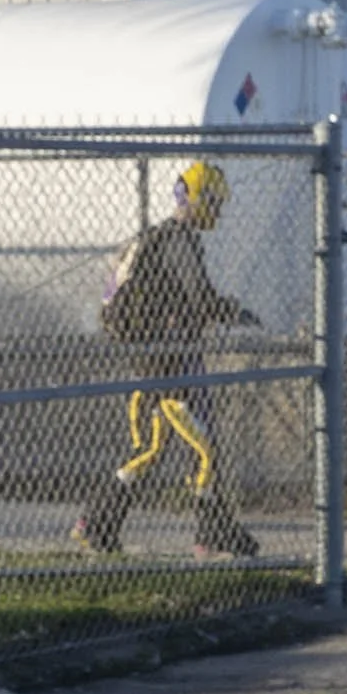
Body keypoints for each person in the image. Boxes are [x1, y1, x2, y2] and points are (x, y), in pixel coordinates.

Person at [74, 159, 261, 557]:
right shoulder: (179, 241)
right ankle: (210, 535)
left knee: (152, 449)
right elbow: (200, 298)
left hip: (155, 360)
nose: (219, 211)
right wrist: (233, 312)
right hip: (169, 365)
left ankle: (97, 524)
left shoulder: (158, 237)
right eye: (214, 201)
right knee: (203, 447)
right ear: (197, 198)